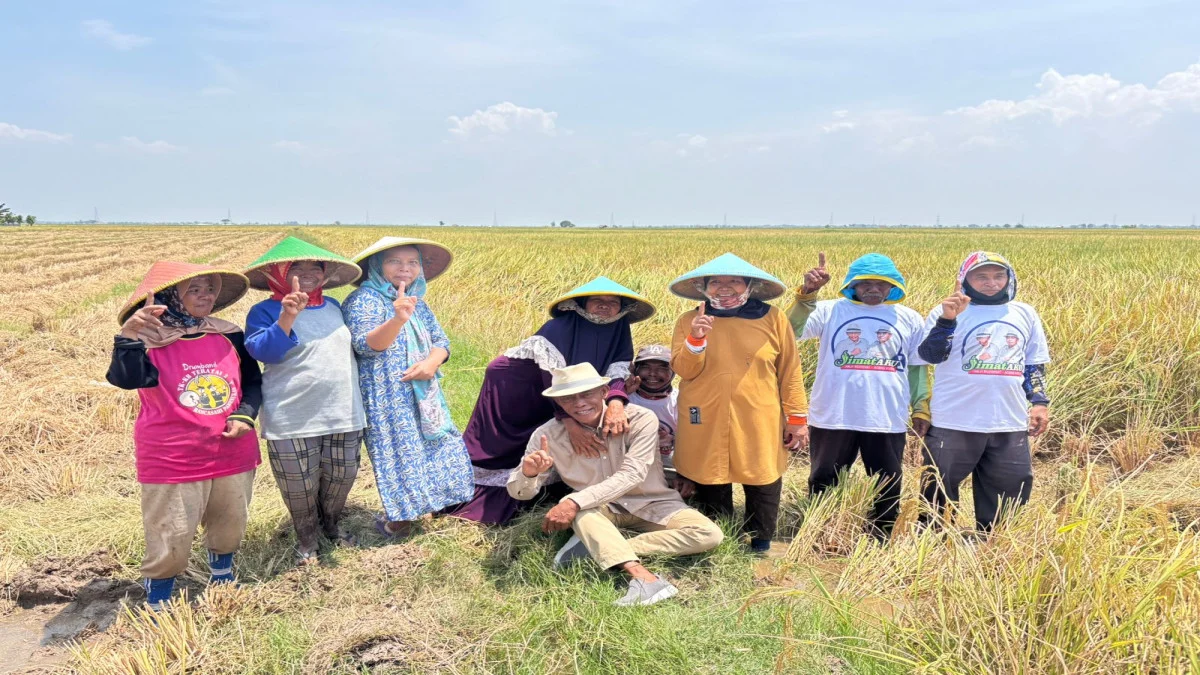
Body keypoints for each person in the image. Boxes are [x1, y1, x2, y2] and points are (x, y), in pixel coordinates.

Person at [105, 262, 260, 611]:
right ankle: (158, 597)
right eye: (194, 289)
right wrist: (128, 336)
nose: (205, 295)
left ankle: (222, 575)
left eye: (209, 289)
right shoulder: (146, 341)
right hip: (173, 453)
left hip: (231, 447)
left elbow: (252, 382)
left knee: (230, 520)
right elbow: (126, 380)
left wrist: (245, 415)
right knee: (171, 531)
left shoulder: (229, 333)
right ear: (170, 297)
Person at [508, 363, 724, 606]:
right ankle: (644, 579)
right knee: (581, 509)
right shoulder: (547, 435)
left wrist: (573, 501)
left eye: (586, 394)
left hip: (653, 501)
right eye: (568, 398)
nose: (579, 403)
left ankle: (601, 548)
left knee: (709, 534)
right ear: (559, 403)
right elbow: (521, 493)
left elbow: (632, 474)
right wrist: (529, 474)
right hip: (601, 508)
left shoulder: (641, 419)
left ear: (603, 392)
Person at [448, 277, 655, 525]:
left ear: (622, 308)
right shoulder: (560, 327)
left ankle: (551, 493)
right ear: (580, 304)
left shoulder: (619, 327)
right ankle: (476, 504)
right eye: (597, 300)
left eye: (613, 302)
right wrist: (569, 422)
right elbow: (553, 378)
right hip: (517, 390)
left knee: (549, 445)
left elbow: (617, 369)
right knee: (508, 449)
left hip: (562, 393)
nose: (605, 306)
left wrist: (616, 402)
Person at [668, 252, 808, 554]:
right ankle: (718, 538)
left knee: (762, 473)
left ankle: (760, 541)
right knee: (710, 473)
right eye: (716, 282)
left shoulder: (773, 318)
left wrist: (796, 420)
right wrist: (696, 339)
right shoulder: (688, 320)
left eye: (734, 281)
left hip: (759, 412)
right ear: (704, 288)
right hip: (705, 411)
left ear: (749, 286)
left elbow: (790, 371)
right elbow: (683, 370)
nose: (725, 287)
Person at [786, 252, 931, 539]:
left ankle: (882, 535)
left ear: (893, 286)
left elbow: (917, 368)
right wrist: (808, 294)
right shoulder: (829, 310)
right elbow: (790, 331)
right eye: (865, 283)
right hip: (833, 414)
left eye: (881, 283)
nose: (873, 289)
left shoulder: (909, 318)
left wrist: (921, 408)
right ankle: (821, 531)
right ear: (852, 284)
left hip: (886, 416)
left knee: (887, 480)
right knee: (824, 477)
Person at [242, 237, 366, 564]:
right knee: (300, 487)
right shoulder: (264, 310)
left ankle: (331, 525)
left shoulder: (336, 307)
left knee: (341, 478)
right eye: (297, 266)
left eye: (316, 267)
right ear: (278, 273)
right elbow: (263, 352)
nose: (308, 273)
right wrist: (287, 317)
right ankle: (307, 539)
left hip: (343, 411)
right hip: (292, 416)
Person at [342, 237, 472, 539]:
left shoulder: (419, 303)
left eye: (413, 262)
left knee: (439, 445)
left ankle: (435, 504)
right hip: (387, 395)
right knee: (400, 454)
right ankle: (400, 521)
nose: (405, 269)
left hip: (424, 392)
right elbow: (367, 346)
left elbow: (442, 342)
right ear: (377, 266)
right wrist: (398, 319)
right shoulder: (363, 301)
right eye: (394, 262)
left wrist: (432, 363)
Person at [916, 251, 1051, 532]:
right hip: (954, 421)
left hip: (1008, 421)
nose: (991, 282)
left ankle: (995, 547)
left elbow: (1033, 365)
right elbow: (930, 355)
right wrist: (948, 320)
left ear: (1009, 278)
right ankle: (932, 549)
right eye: (981, 276)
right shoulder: (946, 311)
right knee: (938, 489)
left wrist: (1039, 402)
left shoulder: (1024, 313)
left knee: (1009, 491)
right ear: (965, 279)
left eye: (998, 276)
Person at [625, 345, 679, 484]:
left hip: (669, 467)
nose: (652, 373)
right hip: (631, 466)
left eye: (662, 368)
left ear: (674, 371)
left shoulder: (680, 400)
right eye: (645, 367)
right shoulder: (624, 399)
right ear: (635, 370)